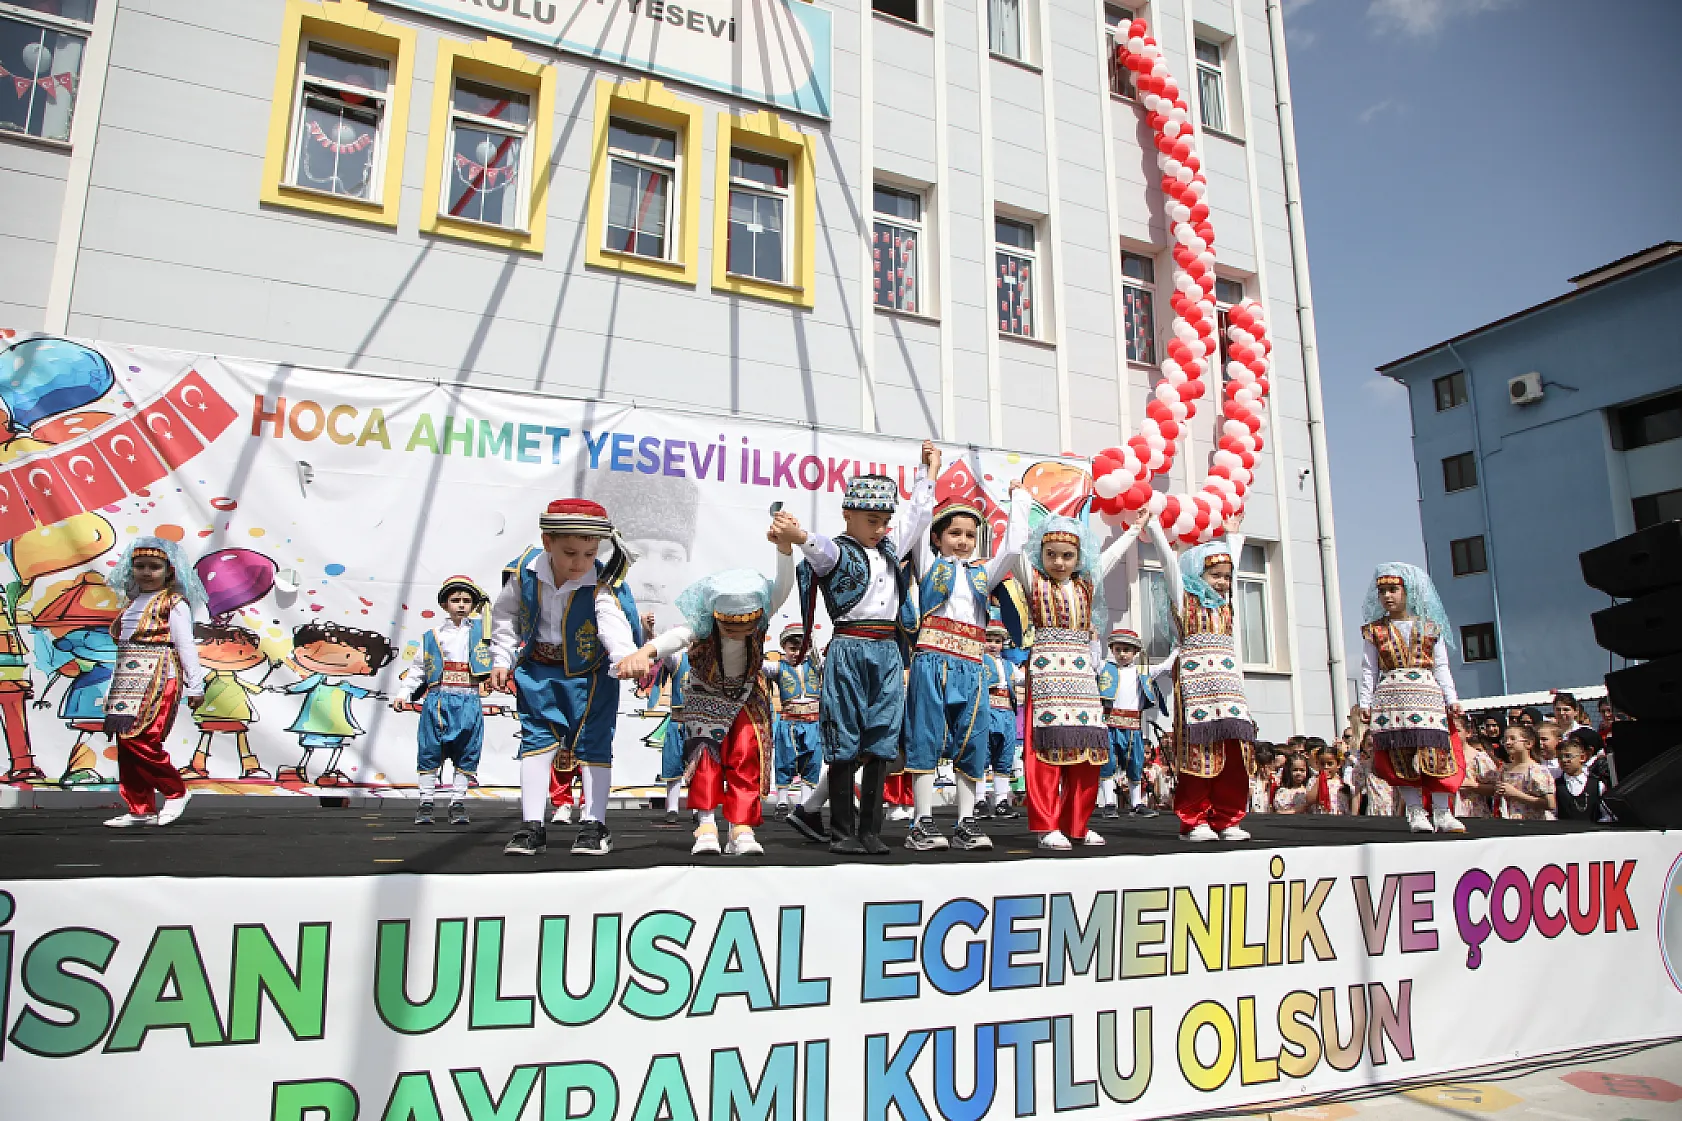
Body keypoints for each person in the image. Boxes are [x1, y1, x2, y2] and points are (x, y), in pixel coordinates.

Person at [778, 444, 936, 855]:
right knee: (845, 736)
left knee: (883, 737)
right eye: (872, 520)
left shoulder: (888, 549)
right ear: (848, 515)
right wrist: (798, 536)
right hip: (850, 646)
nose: (880, 528)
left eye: (884, 521)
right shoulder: (838, 551)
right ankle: (843, 831)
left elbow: (918, 515)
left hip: (886, 651)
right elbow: (817, 548)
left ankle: (871, 831)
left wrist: (927, 473)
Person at [618, 552, 795, 857]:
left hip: (747, 695)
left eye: (745, 628)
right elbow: (676, 637)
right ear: (715, 617)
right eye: (731, 629)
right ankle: (707, 823)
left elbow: (784, 585)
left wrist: (784, 549)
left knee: (745, 755)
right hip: (706, 695)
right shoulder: (702, 625)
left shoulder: (763, 613)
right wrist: (646, 652)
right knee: (706, 758)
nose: (739, 634)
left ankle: (741, 827)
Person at [492, 499, 642, 858]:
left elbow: (611, 618)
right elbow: (505, 617)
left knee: (593, 744)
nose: (580, 563)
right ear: (547, 543)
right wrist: (501, 658)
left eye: (589, 554)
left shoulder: (601, 581)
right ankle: (532, 825)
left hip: (591, 675)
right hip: (538, 671)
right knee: (536, 742)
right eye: (571, 552)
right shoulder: (523, 572)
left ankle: (594, 824)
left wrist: (624, 656)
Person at [901, 480, 1031, 852]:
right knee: (925, 736)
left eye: (970, 535)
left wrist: (1019, 499)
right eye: (954, 533)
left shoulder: (982, 574)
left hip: (972, 666)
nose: (962, 540)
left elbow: (1012, 547)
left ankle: (965, 822)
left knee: (973, 742)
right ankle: (922, 822)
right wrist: (927, 473)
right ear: (938, 538)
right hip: (932, 660)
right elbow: (920, 518)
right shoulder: (928, 565)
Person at [1014, 508, 1146, 850]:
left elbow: (1111, 557)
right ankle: (1046, 825)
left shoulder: (1086, 583)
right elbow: (1014, 545)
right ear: (1040, 556)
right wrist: (1018, 500)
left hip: (1082, 678)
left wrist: (1134, 530)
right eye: (1052, 555)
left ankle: (1077, 823)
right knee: (1046, 752)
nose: (1059, 562)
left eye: (1067, 556)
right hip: (1047, 675)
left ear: (1079, 557)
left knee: (1087, 752)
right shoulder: (1034, 581)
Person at [1146, 514, 1257, 843]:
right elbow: (1169, 564)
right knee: (1197, 754)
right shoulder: (1184, 599)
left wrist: (1232, 538)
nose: (1223, 582)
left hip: (1229, 689)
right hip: (1196, 688)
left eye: (1226, 576)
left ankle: (1228, 817)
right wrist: (1153, 527)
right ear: (1197, 574)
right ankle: (1194, 820)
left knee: (1234, 755)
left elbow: (1231, 576)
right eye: (1215, 575)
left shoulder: (1226, 605)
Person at [101, 538, 206, 827]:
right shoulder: (133, 602)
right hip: (127, 678)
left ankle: (176, 791)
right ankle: (140, 808)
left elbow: (185, 645)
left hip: (160, 676)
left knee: (142, 738)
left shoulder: (174, 603)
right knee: (125, 741)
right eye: (140, 566)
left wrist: (195, 686)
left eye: (154, 567)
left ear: (168, 571)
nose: (146, 572)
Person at [1357, 563, 1466, 834]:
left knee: (1437, 754)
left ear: (1409, 591)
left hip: (1427, 695)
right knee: (1400, 755)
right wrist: (1365, 702)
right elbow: (1369, 668)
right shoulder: (1375, 631)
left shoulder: (1430, 628)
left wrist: (1451, 698)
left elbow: (1441, 665)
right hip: (1392, 696)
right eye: (1382, 591)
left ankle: (1442, 811)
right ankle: (1415, 812)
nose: (1387, 596)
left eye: (1393, 590)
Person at [393, 576, 493, 827]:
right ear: (445, 604)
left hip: (469, 699)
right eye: (455, 600)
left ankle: (457, 802)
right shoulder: (432, 636)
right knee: (430, 750)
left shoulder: (483, 632)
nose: (461, 605)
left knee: (468, 750)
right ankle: (426, 803)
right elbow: (417, 670)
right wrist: (403, 694)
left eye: (467, 601)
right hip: (438, 699)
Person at [1096, 625, 1159, 819]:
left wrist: (1177, 649)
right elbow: (1093, 658)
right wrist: (1093, 639)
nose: (1122, 654)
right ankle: (1108, 804)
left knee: (1135, 763)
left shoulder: (1142, 672)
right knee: (1108, 763)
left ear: (1136, 652)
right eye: (1118, 650)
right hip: (1110, 724)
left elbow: (1165, 667)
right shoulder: (1105, 668)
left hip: (1132, 727)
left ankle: (1136, 804)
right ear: (1112, 650)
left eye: (1127, 650)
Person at [771, 623, 823, 817]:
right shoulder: (777, 667)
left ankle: (805, 804)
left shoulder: (816, 665)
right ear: (784, 648)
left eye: (801, 648)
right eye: (792, 649)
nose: (796, 653)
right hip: (789, 722)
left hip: (813, 722)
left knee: (812, 762)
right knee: (785, 760)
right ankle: (782, 802)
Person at [979, 617, 1021, 819]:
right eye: (989, 640)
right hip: (986, 712)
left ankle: (1001, 800)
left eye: (997, 641)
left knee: (1004, 758)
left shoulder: (1010, 666)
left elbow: (1025, 678)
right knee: (981, 756)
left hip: (1007, 714)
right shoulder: (977, 662)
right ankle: (978, 800)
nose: (993, 645)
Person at [1492, 724, 1555, 820]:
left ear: (1528, 743)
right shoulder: (1504, 769)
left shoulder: (1537, 770)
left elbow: (1550, 804)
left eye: (1513, 739)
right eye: (1505, 740)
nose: (1508, 743)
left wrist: (1516, 794)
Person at [1554, 735, 1610, 823]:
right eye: (1559, 757)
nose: (1564, 760)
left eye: (1568, 756)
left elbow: (1606, 815)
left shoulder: (1597, 785)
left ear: (1582, 757)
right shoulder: (1556, 785)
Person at [1305, 741, 1348, 815]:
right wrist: (1319, 780)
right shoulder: (1313, 780)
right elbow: (1309, 800)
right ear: (1317, 764)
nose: (1326, 767)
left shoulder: (1342, 781)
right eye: (1322, 764)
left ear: (1338, 764)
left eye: (1330, 764)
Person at [1248, 743, 1276, 814]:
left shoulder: (1277, 781)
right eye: (1261, 765)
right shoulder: (1250, 782)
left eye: (1268, 765)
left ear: (1273, 762)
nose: (1264, 769)